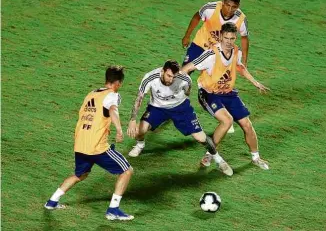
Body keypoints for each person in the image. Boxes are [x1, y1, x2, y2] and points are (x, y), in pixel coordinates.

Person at [44, 66, 134, 221]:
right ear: (118, 83)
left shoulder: (91, 94)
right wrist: (119, 129)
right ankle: (113, 209)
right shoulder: (112, 95)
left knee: (80, 174)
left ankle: (52, 201)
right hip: (97, 147)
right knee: (127, 171)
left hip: (81, 143)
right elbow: (113, 110)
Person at [181, 22, 270, 171]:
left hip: (228, 93)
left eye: (232, 38)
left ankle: (256, 158)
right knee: (227, 121)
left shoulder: (236, 51)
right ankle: (210, 154)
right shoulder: (211, 54)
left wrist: (255, 82)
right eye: (226, 38)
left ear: (235, 38)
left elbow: (240, 67)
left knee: (247, 125)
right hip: (209, 93)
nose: (229, 42)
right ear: (221, 36)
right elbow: (187, 68)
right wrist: (178, 84)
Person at [127, 60, 233, 176]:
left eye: (174, 77)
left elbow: (188, 91)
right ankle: (140, 145)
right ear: (162, 71)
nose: (171, 80)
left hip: (180, 108)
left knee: (200, 137)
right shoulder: (150, 77)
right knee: (138, 131)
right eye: (169, 76)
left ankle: (219, 160)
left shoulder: (184, 78)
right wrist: (133, 120)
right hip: (157, 108)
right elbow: (139, 99)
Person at [182, 0, 249, 134]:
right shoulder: (210, 8)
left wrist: (244, 59)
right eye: (227, 5)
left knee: (220, 82)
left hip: (220, 53)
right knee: (184, 73)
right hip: (200, 45)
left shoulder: (241, 19)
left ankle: (226, 118)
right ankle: (174, 102)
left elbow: (244, 37)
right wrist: (187, 35)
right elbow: (196, 16)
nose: (229, 9)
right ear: (223, 2)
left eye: (234, 7)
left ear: (238, 6)